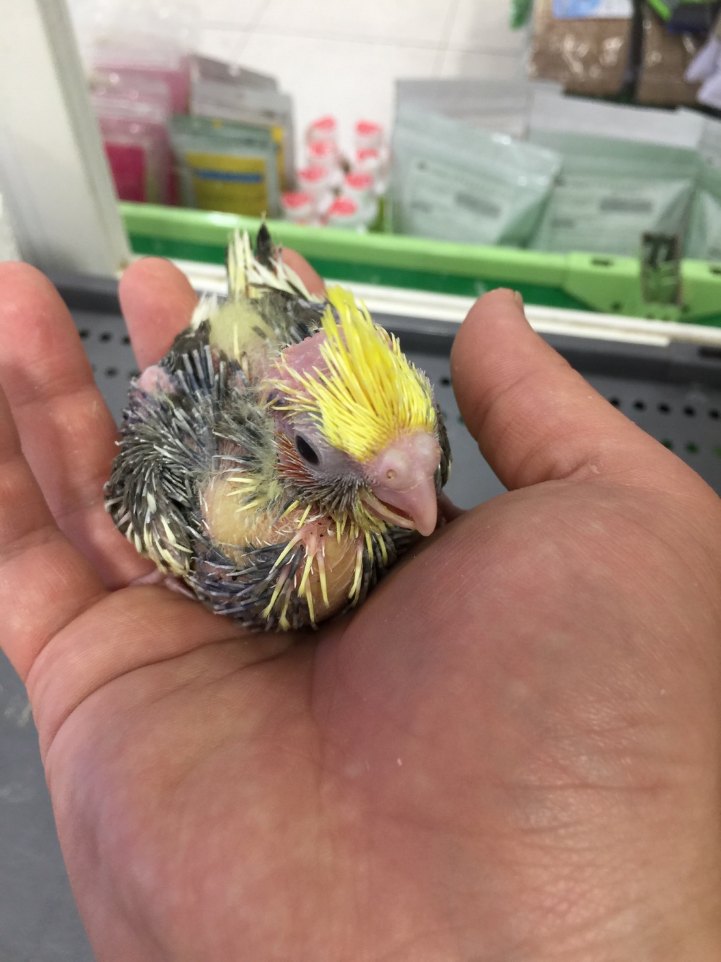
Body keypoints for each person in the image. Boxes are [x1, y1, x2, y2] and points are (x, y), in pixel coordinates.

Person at [0, 251, 719, 962]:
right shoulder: (179, 497)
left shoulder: (402, 463)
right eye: (315, 454)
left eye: (424, 459)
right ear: (269, 442)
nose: (423, 501)